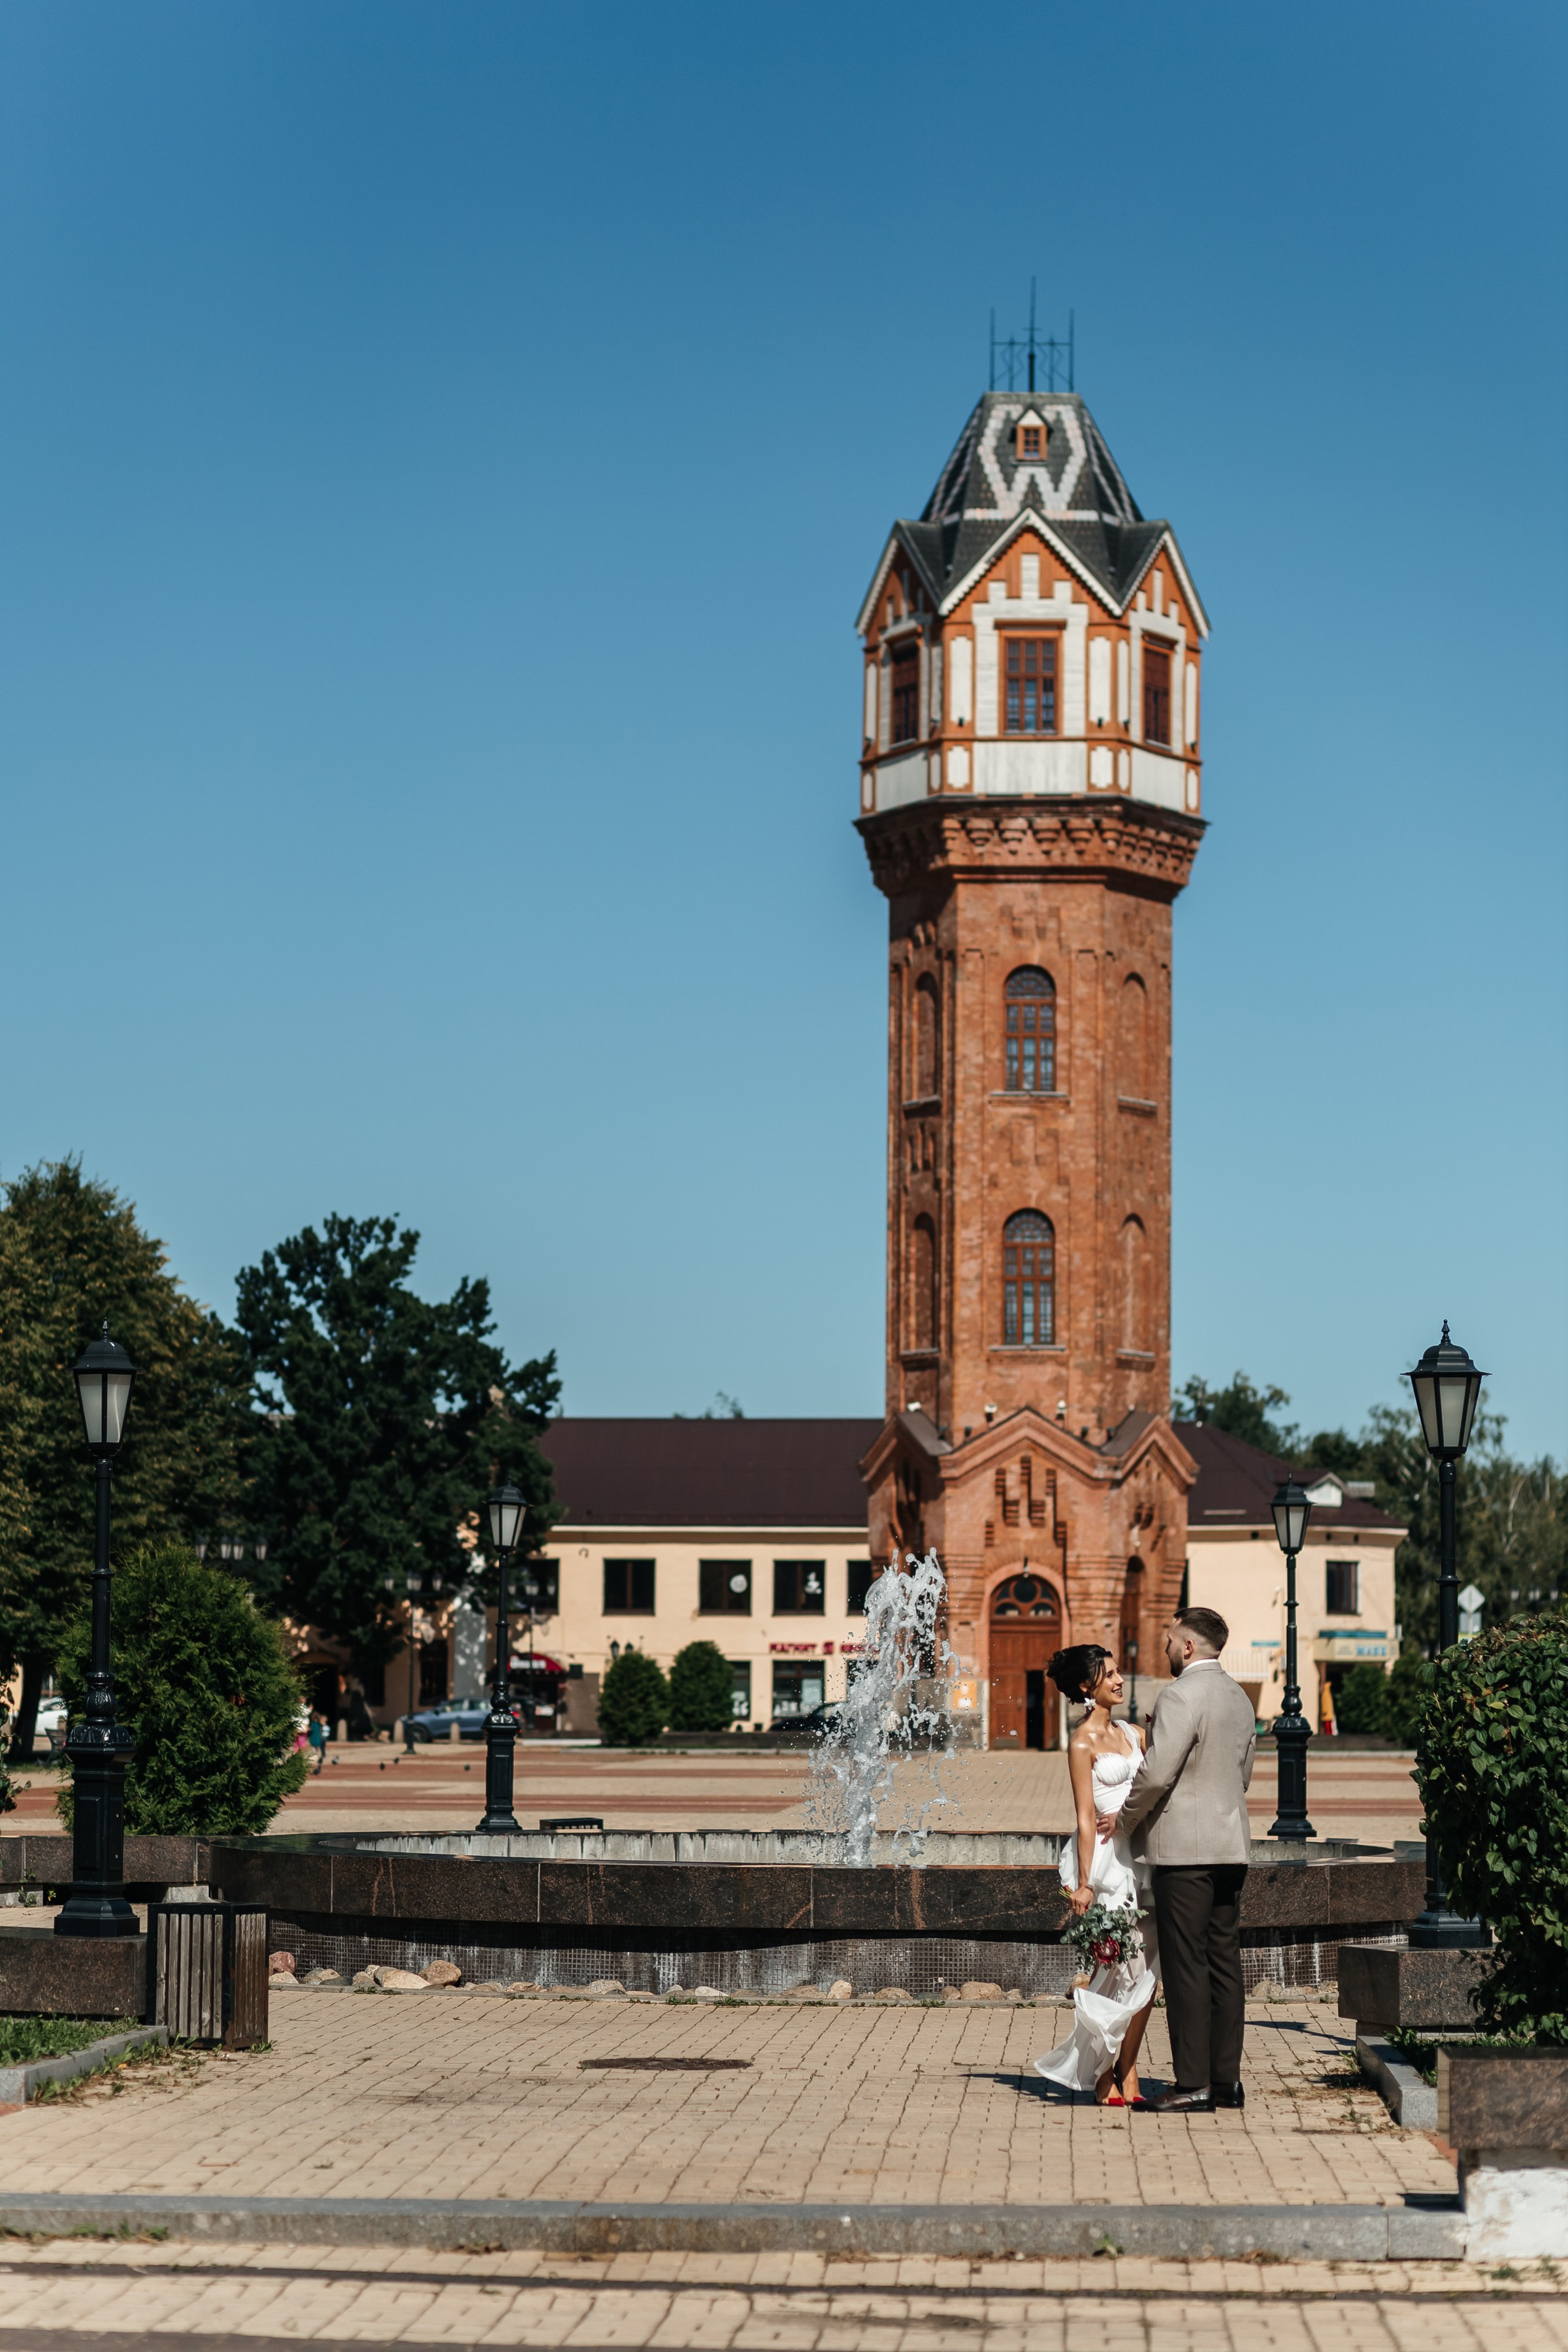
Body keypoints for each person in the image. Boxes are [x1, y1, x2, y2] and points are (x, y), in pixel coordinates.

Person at [1112, 1605, 1257, 2115]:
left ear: (1190, 1646)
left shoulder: (1179, 1694)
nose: (1167, 1647)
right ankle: (1226, 2082)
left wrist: (1125, 1821)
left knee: (1186, 1967)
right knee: (1224, 1964)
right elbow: (1243, 1775)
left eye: (1171, 1640)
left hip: (1183, 1852)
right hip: (1230, 1846)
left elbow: (1156, 1775)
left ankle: (1193, 2084)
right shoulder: (1239, 1697)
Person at [1034, 1645, 1158, 2105]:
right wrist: (1085, 1883)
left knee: (1147, 1973)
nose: (1120, 1680)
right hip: (1109, 1867)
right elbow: (1086, 1817)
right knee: (1121, 1969)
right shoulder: (1082, 1742)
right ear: (1088, 1687)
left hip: (1144, 1859)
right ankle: (1113, 2074)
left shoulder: (1133, 1732)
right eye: (1109, 1675)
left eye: (1119, 1671)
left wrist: (1158, 1733)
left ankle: (1124, 2068)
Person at [306, 1710, 327, 1775]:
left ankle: (314, 1758)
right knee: (316, 1749)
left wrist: (307, 1729)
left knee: (314, 1749)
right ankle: (316, 1758)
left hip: (314, 1738)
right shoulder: (318, 1724)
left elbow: (311, 1730)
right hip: (318, 1739)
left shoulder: (313, 1724)